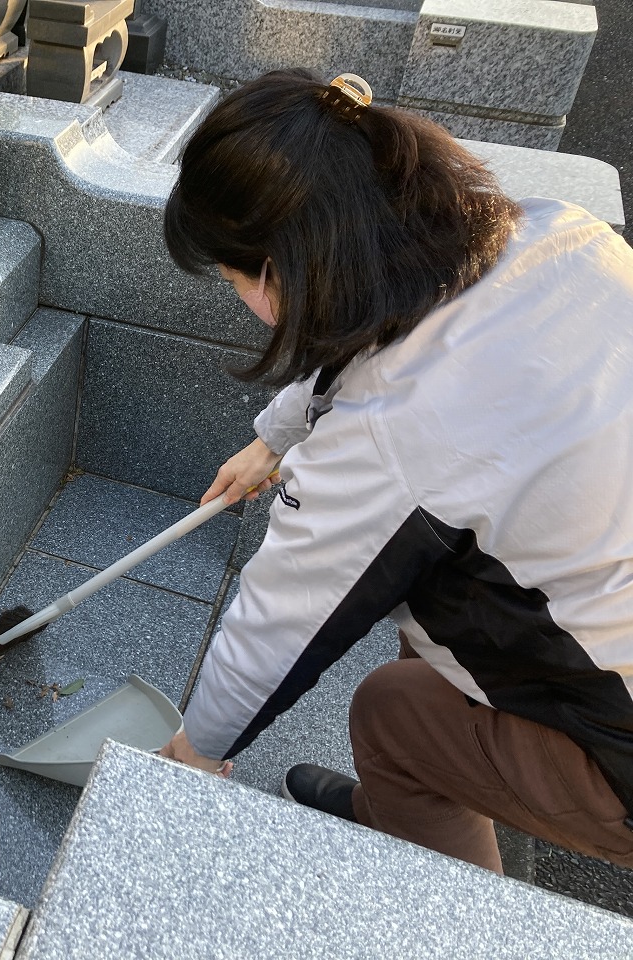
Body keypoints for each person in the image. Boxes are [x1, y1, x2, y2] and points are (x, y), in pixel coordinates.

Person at [155, 68, 633, 874]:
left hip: (617, 736)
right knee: (432, 598)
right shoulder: (554, 232)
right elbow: (396, 336)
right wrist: (276, 437)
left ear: (283, 268)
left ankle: (443, 901)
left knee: (392, 711)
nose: (241, 300)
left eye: (237, 281)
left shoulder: (397, 430)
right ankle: (399, 803)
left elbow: (286, 617)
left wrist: (194, 751)